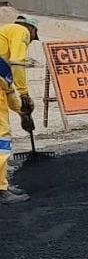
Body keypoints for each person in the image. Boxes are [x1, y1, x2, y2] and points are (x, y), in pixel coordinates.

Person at [0, 14, 39, 204]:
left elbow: (8, 91)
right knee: (1, 138)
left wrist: (22, 111)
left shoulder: (1, 58)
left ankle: (2, 184)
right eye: (32, 38)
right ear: (31, 30)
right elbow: (17, 62)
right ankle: (1, 191)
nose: (29, 41)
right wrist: (24, 93)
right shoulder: (20, 30)